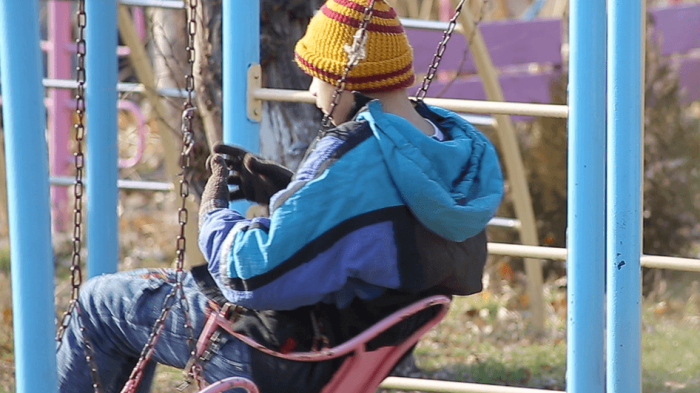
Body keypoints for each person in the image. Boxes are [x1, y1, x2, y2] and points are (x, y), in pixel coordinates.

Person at [57, 0, 503, 392]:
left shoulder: (352, 154)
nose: (312, 92)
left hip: (275, 351)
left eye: (316, 77)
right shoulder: (447, 150)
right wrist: (288, 192)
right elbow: (371, 229)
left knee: (99, 301)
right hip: (348, 349)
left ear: (344, 80)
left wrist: (215, 213)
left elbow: (252, 275)